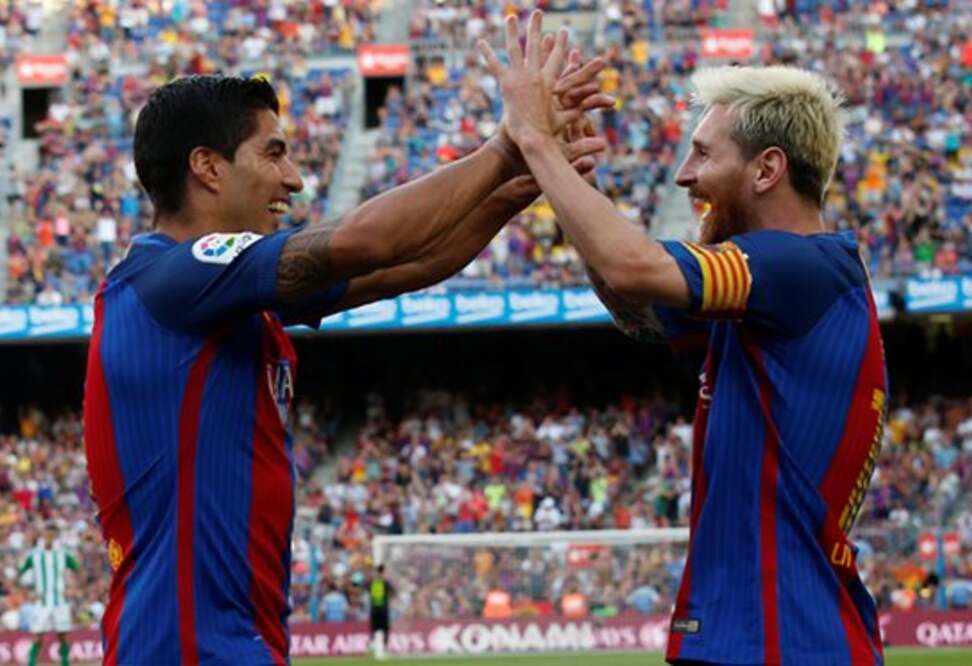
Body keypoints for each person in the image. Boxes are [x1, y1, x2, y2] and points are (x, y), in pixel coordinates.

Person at [83, 69, 611, 664]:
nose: (294, 178)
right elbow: (365, 240)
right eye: (273, 154)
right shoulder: (172, 277)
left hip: (222, 643)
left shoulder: (222, 295)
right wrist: (507, 146)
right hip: (183, 648)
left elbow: (410, 264)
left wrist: (521, 184)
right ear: (207, 167)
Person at [481, 11, 888, 665]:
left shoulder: (802, 266)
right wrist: (576, 181)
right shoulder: (774, 293)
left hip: (785, 639)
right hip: (755, 634)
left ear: (767, 169)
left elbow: (633, 266)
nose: (682, 175)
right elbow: (634, 305)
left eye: (702, 153)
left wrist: (534, 138)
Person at [19, 525, 80, 666]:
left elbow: (77, 568)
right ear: (43, 536)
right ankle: (31, 663)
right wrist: (28, 593)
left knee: (63, 635)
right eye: (47, 535)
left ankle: (65, 663)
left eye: (52, 535)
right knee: (37, 635)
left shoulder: (63, 554)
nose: (49, 538)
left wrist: (73, 587)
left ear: (56, 537)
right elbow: (21, 572)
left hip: (60, 601)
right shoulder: (34, 555)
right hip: (41, 602)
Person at [368, 565, 393, 659]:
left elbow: (363, 588)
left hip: (374, 609)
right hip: (383, 610)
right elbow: (392, 591)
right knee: (385, 629)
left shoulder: (372, 583)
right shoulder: (385, 583)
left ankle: (374, 645)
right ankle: (383, 649)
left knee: (374, 629)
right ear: (383, 572)